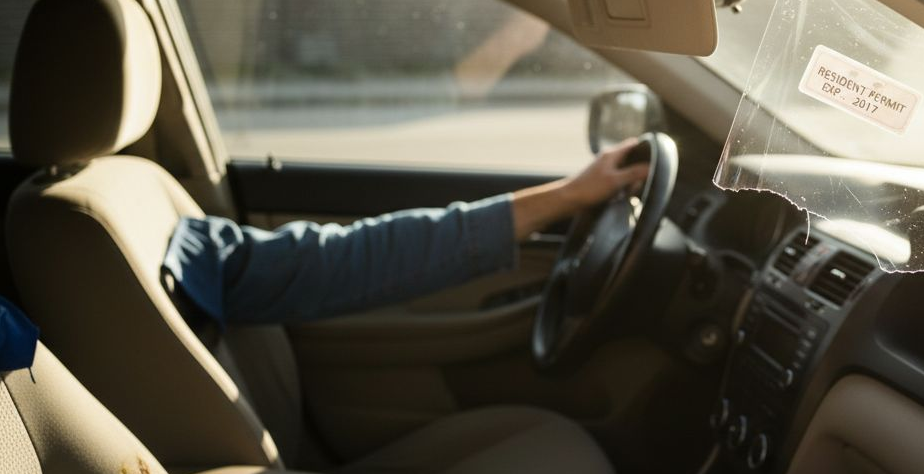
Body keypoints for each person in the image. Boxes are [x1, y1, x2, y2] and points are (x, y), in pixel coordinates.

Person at [162, 139, 650, 330]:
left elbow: (342, 261)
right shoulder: (111, 233)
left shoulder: (174, 226)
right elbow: (345, 264)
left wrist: (569, 196)